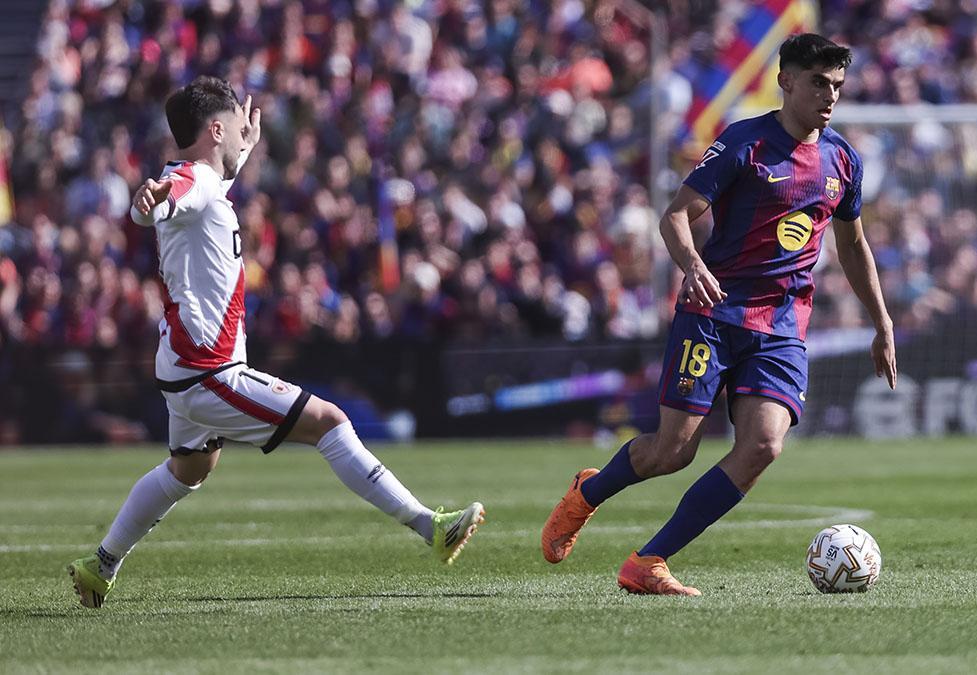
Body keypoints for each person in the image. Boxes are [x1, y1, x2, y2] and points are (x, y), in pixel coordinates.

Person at [67, 76, 485, 609]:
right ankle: (431, 526)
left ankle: (100, 565)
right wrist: (151, 201)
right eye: (239, 127)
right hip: (209, 372)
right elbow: (172, 196)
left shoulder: (207, 181)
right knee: (330, 422)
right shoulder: (189, 181)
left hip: (184, 364)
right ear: (216, 129)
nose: (248, 132)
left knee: (191, 468)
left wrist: (236, 157)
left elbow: (198, 189)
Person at [541, 34, 897, 595]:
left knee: (763, 446)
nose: (830, 97)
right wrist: (692, 265)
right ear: (786, 81)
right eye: (818, 83)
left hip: (781, 325)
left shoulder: (842, 160)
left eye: (838, 86)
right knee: (671, 451)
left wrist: (882, 321)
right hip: (714, 311)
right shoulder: (744, 143)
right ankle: (587, 493)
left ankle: (648, 561)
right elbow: (676, 216)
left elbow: (853, 246)